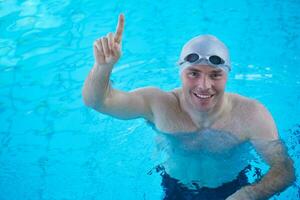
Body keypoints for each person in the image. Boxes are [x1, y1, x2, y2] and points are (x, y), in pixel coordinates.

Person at [82, 14, 296, 200]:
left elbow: (284, 169)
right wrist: (103, 67)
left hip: (235, 189)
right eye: (193, 73)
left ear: (228, 74)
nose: (204, 86)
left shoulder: (252, 114)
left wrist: (251, 194)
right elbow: (98, 101)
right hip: (176, 188)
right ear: (180, 72)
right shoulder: (158, 104)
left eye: (215, 75)